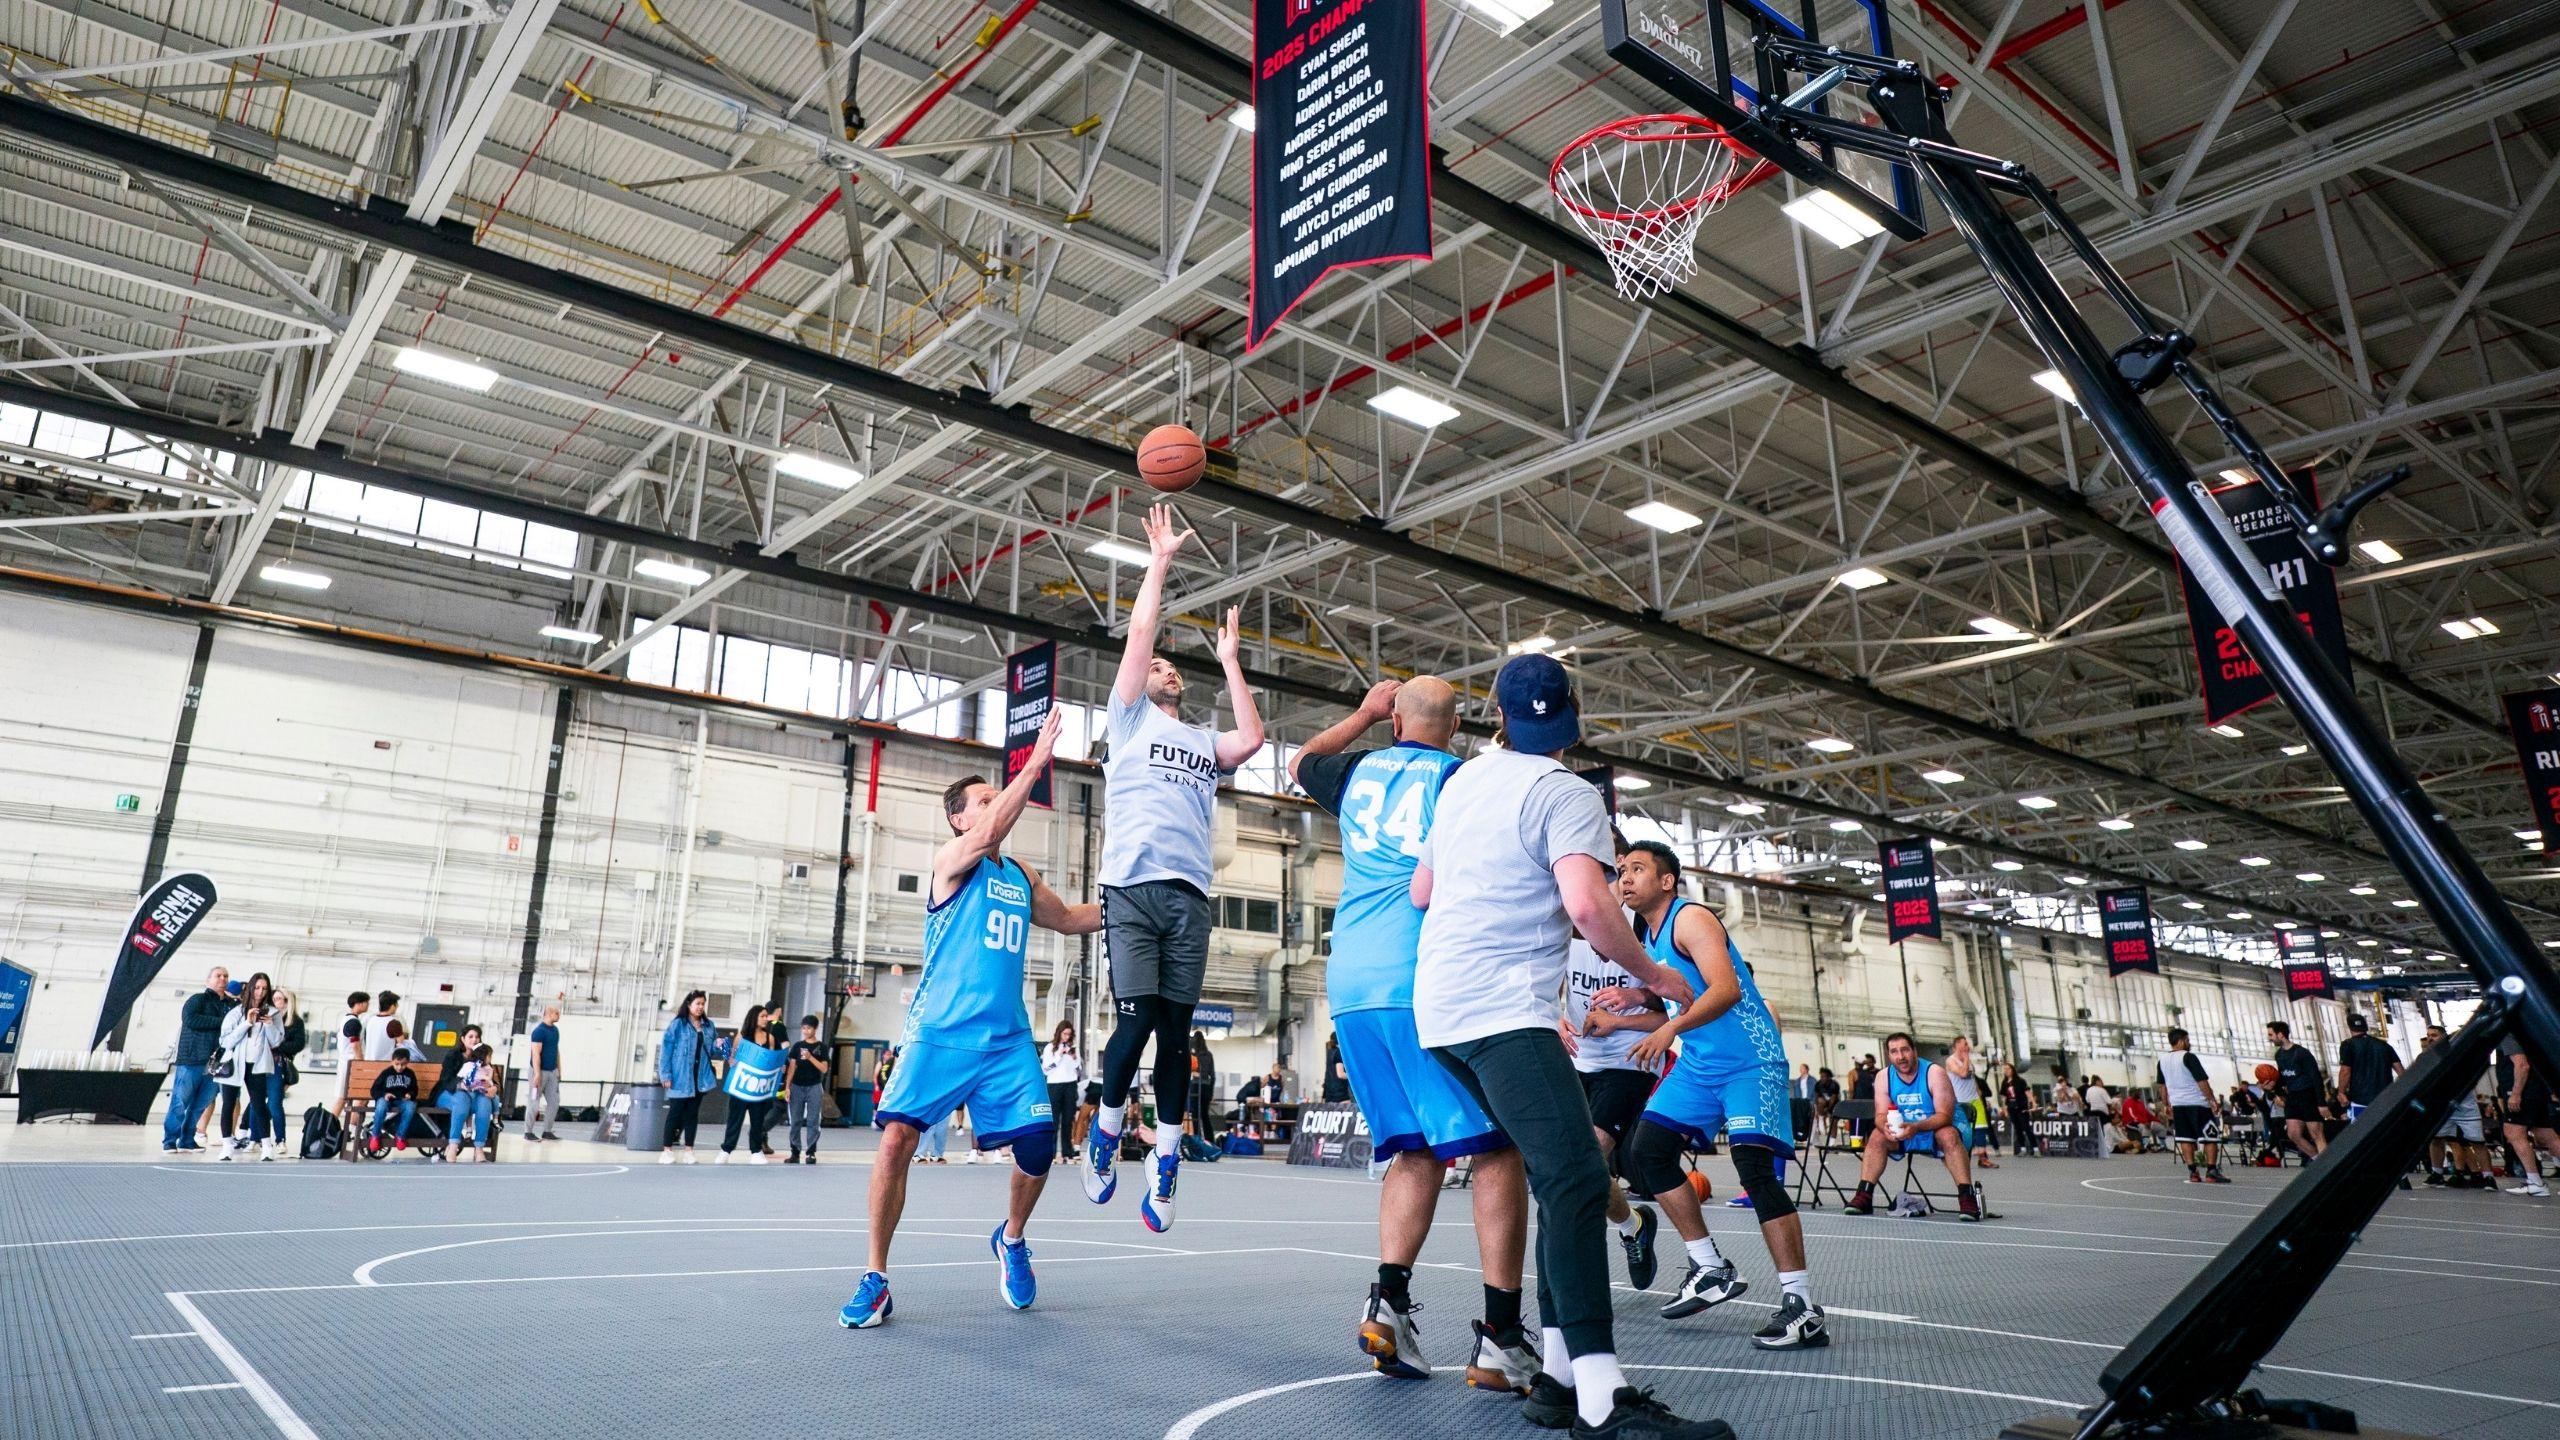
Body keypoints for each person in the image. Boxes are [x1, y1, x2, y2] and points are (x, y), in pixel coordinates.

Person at [1407, 653, 1730, 1439]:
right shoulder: (1567, 791)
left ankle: (1556, 1380)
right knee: (1582, 1182)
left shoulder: (1460, 783)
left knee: (1564, 1177)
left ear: (1496, 717)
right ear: (1570, 720)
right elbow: (1588, 906)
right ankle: (1600, 1397)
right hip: (1502, 1011)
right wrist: (1657, 974)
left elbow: (1422, 891)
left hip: (1441, 1011)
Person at [1291, 676, 1544, 1393]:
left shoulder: (1359, 768)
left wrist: (1364, 714)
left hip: (1351, 986)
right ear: (1458, 724)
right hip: (1423, 981)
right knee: (1498, 1151)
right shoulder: (1464, 781)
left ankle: (1390, 1303)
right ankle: (1501, 1337)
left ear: (1394, 720)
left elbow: (1303, 760)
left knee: (1414, 1151)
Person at [839, 710, 1099, 1328]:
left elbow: (1066, 920)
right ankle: (875, 1276)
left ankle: (1010, 1239)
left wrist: (1136, 905)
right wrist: (1035, 764)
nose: (994, 806)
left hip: (1006, 1040)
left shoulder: (1018, 874)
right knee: (897, 1139)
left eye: (996, 797)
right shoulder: (954, 858)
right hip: (941, 1031)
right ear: (960, 817)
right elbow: (987, 836)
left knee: (1038, 1148)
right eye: (983, 800)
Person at [1082, 505, 1266, 1233]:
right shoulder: (1128, 720)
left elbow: (1251, 737)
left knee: (1176, 1037)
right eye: (1158, 665)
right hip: (1129, 887)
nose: (1164, 670)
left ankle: (1164, 1164)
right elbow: (1138, 635)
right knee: (1133, 1025)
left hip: (1189, 897)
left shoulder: (1198, 737)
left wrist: (1229, 660)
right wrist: (1158, 562)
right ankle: (1103, 1130)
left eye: (1169, 667)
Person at [1602, 840, 1822, 1350]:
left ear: (1667, 881)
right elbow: (1676, 989)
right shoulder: (1645, 931)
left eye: (1637, 868)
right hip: (1702, 1065)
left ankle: (1802, 1306)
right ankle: (1709, 1267)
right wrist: (1636, 999)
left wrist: (1667, 1030)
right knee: (1647, 1152)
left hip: (1750, 1062)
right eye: (1621, 870)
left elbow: (1725, 989)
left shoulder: (1692, 919)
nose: (1626, 877)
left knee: (1754, 1172)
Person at [1563, 906, 1666, 1294]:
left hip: (1632, 1060)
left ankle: (1579, 1280)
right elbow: (1544, 984)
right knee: (1569, 1164)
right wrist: (1551, 1015)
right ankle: (1632, 1226)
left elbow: (1675, 1011)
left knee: (1586, 1158)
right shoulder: (1566, 917)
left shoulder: (1642, 927)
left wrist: (1621, 1018)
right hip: (1579, 1058)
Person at [1847, 1033, 1982, 1220]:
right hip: (1907, 1129)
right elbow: (1880, 1115)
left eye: (1905, 1050)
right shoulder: (1883, 1077)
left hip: (1939, 1126)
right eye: (1894, 1051)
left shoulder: (1934, 1073)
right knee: (1877, 1136)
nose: (1900, 1056)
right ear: (1888, 1055)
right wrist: (1884, 1126)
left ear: (1914, 1051)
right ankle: (1864, 1195)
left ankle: (1967, 1198)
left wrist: (1916, 1127)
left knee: (1948, 1135)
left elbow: (1944, 1116)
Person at [218, 973, 286, 1161]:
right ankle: (227, 1146)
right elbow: (225, 1041)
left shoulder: (273, 1013)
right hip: (234, 1063)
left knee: (258, 1104)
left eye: (264, 988)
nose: (260, 992)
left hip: (257, 1064)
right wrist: (247, 1022)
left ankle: (266, 1146)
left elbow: (276, 1041)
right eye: (257, 988)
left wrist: (271, 1025)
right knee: (228, 1104)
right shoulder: (236, 1012)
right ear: (250, 988)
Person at [2416, 1026, 2491, 1188]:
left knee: (2477, 1141)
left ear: (2444, 1037)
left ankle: (2487, 1176)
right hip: (2439, 1106)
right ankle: (2437, 1173)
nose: (2430, 1038)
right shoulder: (2424, 1058)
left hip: (2464, 1104)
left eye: (2434, 1035)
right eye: (2428, 1035)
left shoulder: (2459, 1054)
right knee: (2437, 1139)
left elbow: (2473, 1075)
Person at [2156, 1028, 2228, 1183]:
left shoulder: (2162, 1061)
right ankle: (2211, 1171)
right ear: (2181, 1041)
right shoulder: (2188, 1057)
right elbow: (2201, 1081)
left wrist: (2166, 1104)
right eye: (2188, 1040)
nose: (2189, 1043)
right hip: (2197, 1104)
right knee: (2210, 1137)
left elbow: (2162, 1086)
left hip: (2178, 1105)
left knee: (2185, 1138)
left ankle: (2193, 1172)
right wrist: (2212, 1100)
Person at [2494, 1032, 2558, 1197]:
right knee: (2546, 1136)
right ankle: (2535, 1181)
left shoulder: (2508, 1034)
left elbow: (2522, 1065)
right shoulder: (2528, 1030)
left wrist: (2516, 1093)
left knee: (2513, 1132)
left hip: (2523, 1091)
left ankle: (2535, 1182)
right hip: (2538, 1089)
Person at [659, 991, 719, 1163]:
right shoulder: (677, 1025)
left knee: (692, 1115)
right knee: (675, 1113)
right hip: (679, 1077)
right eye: (697, 1003)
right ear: (689, 1004)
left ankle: (689, 1151)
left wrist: (719, 1045)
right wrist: (665, 1074)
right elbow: (666, 1051)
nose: (700, 1007)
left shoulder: (709, 1026)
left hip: (700, 1080)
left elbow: (712, 1051)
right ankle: (667, 1150)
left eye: (703, 1004)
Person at [720, 1003, 783, 1163]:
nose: (765, 1019)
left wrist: (780, 1066)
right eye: (762, 1016)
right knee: (735, 1119)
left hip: (760, 1088)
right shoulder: (741, 1037)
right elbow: (732, 1057)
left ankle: (756, 1151)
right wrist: (729, 1058)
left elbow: (774, 1059)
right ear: (753, 1017)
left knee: (757, 1120)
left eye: (766, 1016)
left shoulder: (770, 1038)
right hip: (742, 1086)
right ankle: (726, 1150)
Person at [2265, 1021, 2327, 1161]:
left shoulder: (2302, 1053)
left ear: (2281, 1035)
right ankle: (2318, 1161)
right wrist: (2273, 1087)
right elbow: (2283, 1078)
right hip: (2293, 1098)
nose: (2269, 1038)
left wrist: (2321, 1103)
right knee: (2293, 1134)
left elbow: (2316, 1077)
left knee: (2316, 1134)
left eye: (2271, 1034)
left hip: (2308, 1096)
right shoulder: (2279, 1055)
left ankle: (2329, 1168)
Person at [782, 1015, 831, 1165]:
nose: (805, 1030)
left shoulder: (821, 1047)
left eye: (808, 1028)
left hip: (814, 1086)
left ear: (815, 1029)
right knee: (795, 1120)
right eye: (803, 1028)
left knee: (813, 1120)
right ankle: (795, 1152)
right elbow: (792, 1067)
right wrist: (787, 1087)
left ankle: (811, 1152)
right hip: (797, 1086)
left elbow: (824, 1068)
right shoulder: (797, 1046)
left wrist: (810, 1057)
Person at [2336, 1014, 2403, 1121]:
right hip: (2386, 1099)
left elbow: (2345, 1071)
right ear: (2365, 1026)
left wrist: (2341, 1092)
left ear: (2349, 1026)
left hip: (2360, 1100)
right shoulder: (2384, 1045)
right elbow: (2401, 1072)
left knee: (2362, 1132)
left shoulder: (2348, 1045)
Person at [439, 1044, 499, 1162]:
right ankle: (453, 1145)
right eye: (470, 1037)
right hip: (459, 1092)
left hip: (479, 1093)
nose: (474, 1040)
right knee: (461, 1106)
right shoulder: (457, 1058)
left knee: (485, 1104)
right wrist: (464, 1085)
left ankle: (479, 1148)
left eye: (476, 1037)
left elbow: (492, 1082)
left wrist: (493, 1087)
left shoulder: (487, 1066)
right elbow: (451, 1080)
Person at [1948, 1036, 1995, 1170]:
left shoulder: (1969, 1062)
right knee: (1963, 1131)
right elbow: (1962, 1074)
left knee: (1981, 1129)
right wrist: (1966, 1057)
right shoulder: (1951, 1060)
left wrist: (1980, 1097)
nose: (1967, 1046)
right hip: (1961, 1100)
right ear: (1957, 1045)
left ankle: (1983, 1158)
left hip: (1974, 1099)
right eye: (1964, 1044)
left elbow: (1972, 1080)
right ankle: (1960, 1158)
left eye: (1967, 1044)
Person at [1040, 1021, 1083, 1163]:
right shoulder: (1049, 1048)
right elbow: (1045, 1069)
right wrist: (1059, 1055)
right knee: (1053, 1120)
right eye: (1064, 1033)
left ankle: (1067, 1152)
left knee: (1068, 1120)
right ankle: (1050, 1152)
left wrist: (1075, 1059)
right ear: (1059, 1033)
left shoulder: (1073, 1049)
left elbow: (1079, 1070)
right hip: (1054, 1085)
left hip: (1070, 1084)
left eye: (1069, 1034)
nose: (1066, 1037)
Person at [369, 1048, 422, 1155]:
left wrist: (410, 1095)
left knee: (411, 1106)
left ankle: (400, 1135)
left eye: (403, 1064)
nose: (399, 1067)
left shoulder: (410, 1074)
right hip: (386, 1099)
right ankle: (375, 1135)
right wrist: (384, 1094)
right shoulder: (386, 1073)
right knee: (381, 1106)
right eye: (397, 1064)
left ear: (408, 1062)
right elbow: (374, 1089)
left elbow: (414, 1089)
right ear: (392, 1061)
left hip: (402, 1100)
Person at [524, 1000, 564, 1142]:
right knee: (534, 1101)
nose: (559, 1015)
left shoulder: (555, 1030)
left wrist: (559, 1069)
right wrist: (537, 1074)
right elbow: (535, 1054)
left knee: (554, 1102)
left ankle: (547, 1131)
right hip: (538, 1072)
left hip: (552, 1072)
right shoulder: (539, 1031)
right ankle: (528, 1132)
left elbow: (556, 1050)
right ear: (548, 1013)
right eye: (556, 1013)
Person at [333, 990, 371, 1127]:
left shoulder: (346, 1019)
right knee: (347, 1097)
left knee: (345, 1096)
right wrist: (361, 1061)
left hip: (346, 1062)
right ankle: (332, 1126)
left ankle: (342, 1127)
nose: (368, 1005)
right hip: (351, 1063)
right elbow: (355, 1044)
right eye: (366, 1002)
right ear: (359, 1004)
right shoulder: (353, 1022)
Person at [1998, 1062, 2034, 1157]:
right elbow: (2004, 1097)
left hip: (2021, 1106)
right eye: (2004, 1069)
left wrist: (2033, 1102)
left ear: (2012, 1070)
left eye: (2008, 1069)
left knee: (2026, 1127)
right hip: (2011, 1107)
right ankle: (2022, 1148)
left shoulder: (2020, 1081)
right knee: (2018, 1128)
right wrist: (2004, 1109)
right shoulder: (2004, 1083)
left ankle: (2035, 1148)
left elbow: (2027, 1092)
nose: (2006, 1071)